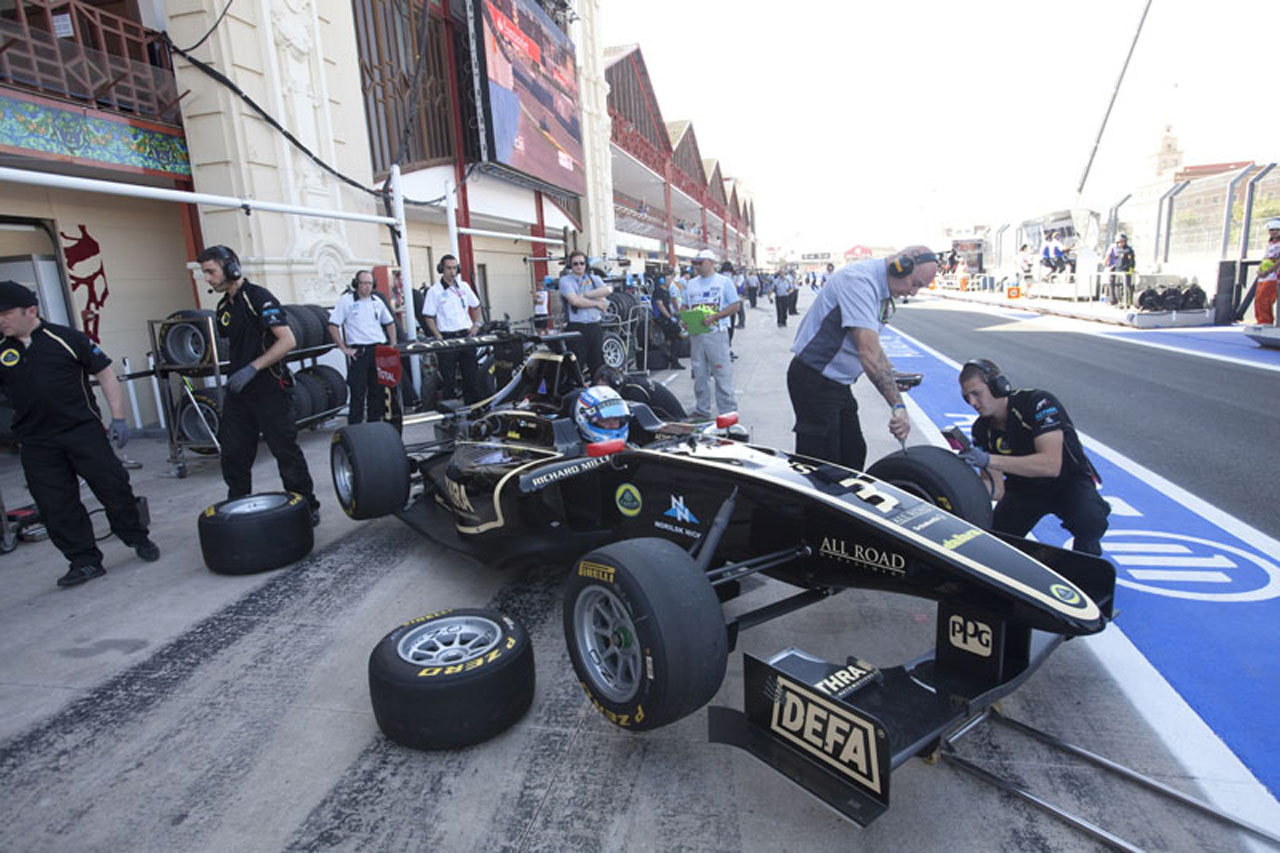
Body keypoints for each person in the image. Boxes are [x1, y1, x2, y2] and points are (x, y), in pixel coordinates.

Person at [0, 281, 158, 588]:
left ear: (30, 310)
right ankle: (83, 561)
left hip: (81, 431)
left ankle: (136, 536)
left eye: (5, 312)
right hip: (36, 441)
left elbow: (105, 372)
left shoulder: (66, 338)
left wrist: (119, 417)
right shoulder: (3, 350)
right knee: (55, 504)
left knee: (113, 487)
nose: (0, 319)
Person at [199, 245, 321, 525]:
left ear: (231, 268)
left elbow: (287, 340)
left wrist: (253, 368)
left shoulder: (259, 298)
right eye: (204, 272)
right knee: (234, 453)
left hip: (270, 388)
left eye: (211, 271)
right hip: (239, 391)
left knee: (285, 451)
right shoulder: (223, 307)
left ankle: (306, 505)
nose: (207, 278)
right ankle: (236, 509)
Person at [787, 247, 936, 470]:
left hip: (837, 383)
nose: (913, 293)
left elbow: (873, 346)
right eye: (915, 284)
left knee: (853, 453)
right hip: (814, 380)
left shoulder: (881, 291)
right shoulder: (858, 282)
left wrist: (890, 374)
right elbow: (868, 353)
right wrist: (897, 406)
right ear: (900, 266)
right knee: (822, 464)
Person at [956, 359, 1110, 555]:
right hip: (1024, 488)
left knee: (1090, 520)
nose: (972, 403)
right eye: (966, 397)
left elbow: (1050, 465)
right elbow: (996, 489)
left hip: (1067, 480)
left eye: (976, 393)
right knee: (993, 543)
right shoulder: (981, 428)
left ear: (998, 386)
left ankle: (1087, 549)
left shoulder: (1038, 403)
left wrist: (988, 459)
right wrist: (960, 484)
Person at [327, 270, 397, 424]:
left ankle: (373, 427)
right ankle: (355, 430)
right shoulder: (346, 301)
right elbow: (333, 325)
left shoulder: (377, 301)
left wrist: (392, 345)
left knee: (377, 393)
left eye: (369, 283)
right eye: (363, 283)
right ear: (356, 284)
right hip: (360, 352)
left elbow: (390, 323)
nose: (366, 287)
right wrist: (344, 348)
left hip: (378, 350)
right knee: (358, 393)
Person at [683, 249, 740, 419]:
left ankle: (728, 411)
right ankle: (702, 409)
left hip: (717, 333)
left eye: (701, 263)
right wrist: (684, 318)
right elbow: (684, 305)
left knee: (721, 372)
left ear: (711, 263)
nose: (697, 266)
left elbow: (735, 305)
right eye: (695, 263)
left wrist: (716, 316)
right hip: (697, 334)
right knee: (699, 373)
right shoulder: (691, 284)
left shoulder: (724, 282)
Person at [422, 254, 484, 403]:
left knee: (471, 377)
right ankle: (450, 414)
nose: (452, 271)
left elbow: (476, 306)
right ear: (441, 269)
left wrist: (476, 325)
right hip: (447, 338)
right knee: (448, 379)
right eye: (448, 268)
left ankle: (473, 410)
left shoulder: (464, 286)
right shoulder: (434, 291)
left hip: (466, 336)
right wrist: (438, 335)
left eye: (454, 268)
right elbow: (428, 316)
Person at [558, 250, 612, 379]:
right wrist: (596, 303)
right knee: (575, 364)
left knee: (598, 364)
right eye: (575, 264)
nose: (579, 266)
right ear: (570, 265)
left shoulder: (594, 279)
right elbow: (575, 301)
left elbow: (608, 290)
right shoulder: (566, 281)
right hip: (576, 328)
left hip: (594, 326)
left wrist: (587, 295)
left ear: (586, 264)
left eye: (582, 263)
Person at [649, 274, 684, 369]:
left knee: (672, 339)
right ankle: (673, 360)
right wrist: (669, 317)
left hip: (668, 317)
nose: (670, 281)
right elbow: (660, 305)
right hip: (662, 318)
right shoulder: (659, 291)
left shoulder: (666, 291)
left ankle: (672, 359)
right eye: (668, 279)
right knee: (676, 335)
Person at [1255, 218, 1280, 325]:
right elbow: (1265, 258)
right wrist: (1260, 269)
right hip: (1264, 275)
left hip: (1274, 276)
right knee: (1258, 299)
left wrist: (1269, 271)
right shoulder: (1269, 244)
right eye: (1271, 229)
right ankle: (1260, 321)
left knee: (1264, 298)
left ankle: (1266, 321)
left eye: (1276, 229)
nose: (1273, 232)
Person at [1103, 233, 1136, 307]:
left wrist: (1131, 269)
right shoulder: (1114, 248)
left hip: (1125, 269)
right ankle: (1113, 300)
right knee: (1112, 283)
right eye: (1120, 242)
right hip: (1116, 268)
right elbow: (1109, 258)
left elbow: (1132, 261)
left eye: (1123, 241)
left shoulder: (1128, 249)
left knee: (1126, 286)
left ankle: (1126, 302)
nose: (1122, 243)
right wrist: (1108, 265)